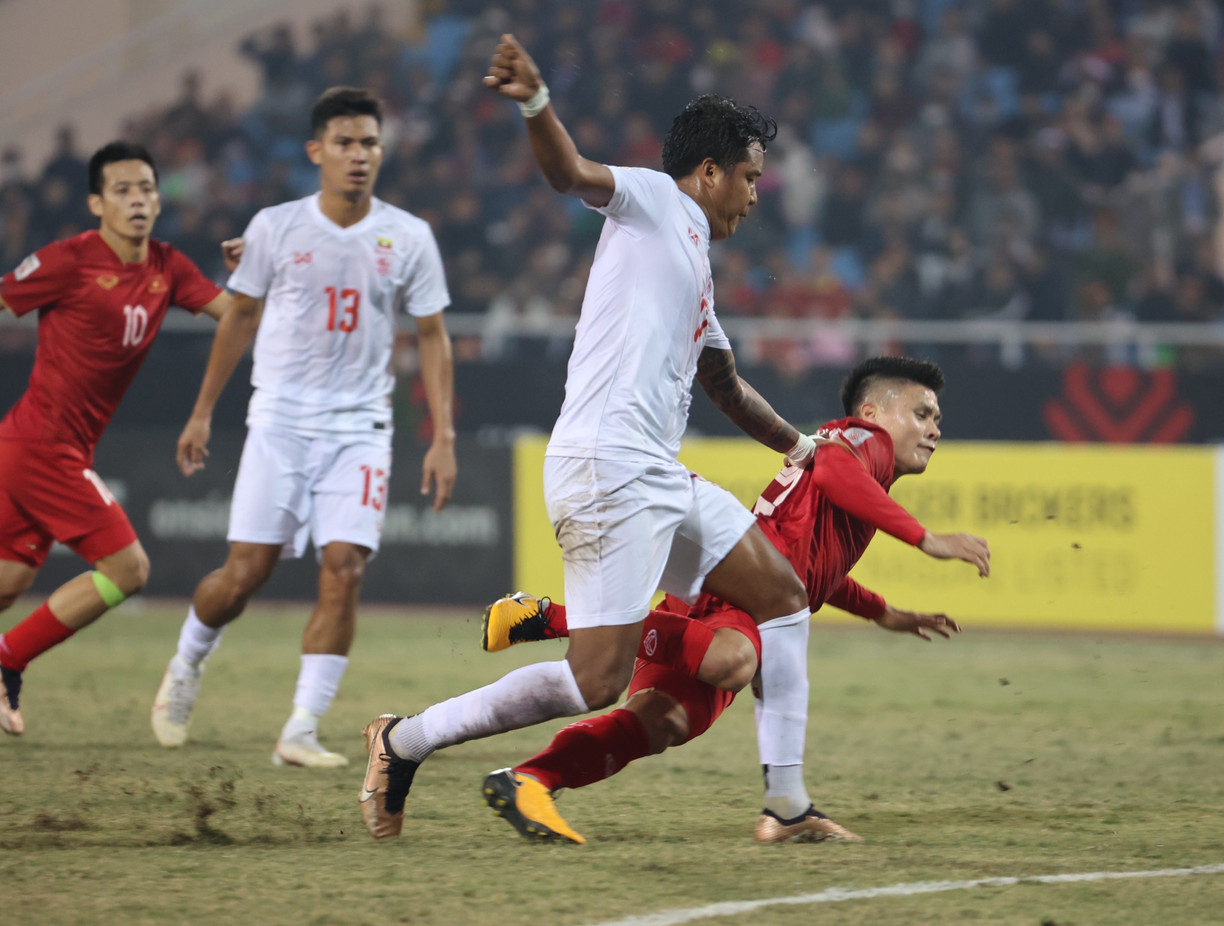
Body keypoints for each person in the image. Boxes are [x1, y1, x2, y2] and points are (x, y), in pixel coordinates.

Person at [358, 35, 821, 839]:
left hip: (655, 474)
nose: (755, 193)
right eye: (749, 176)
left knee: (782, 598)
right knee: (596, 680)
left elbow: (725, 385)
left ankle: (787, 805)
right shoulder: (652, 200)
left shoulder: (697, 267)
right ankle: (404, 741)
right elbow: (569, 172)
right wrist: (537, 101)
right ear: (708, 172)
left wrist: (798, 443)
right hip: (606, 467)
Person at [477, 356, 989, 844]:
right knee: (733, 660)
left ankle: (530, 779)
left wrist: (883, 612)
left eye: (938, 419)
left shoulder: (868, 479)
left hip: (731, 610)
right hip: (736, 598)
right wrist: (926, 539)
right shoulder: (864, 440)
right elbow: (832, 469)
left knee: (664, 723)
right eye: (921, 414)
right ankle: (548, 617)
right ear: (873, 412)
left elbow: (815, 571)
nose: (934, 429)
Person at [149, 87, 455, 768]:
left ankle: (300, 728)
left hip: (362, 428)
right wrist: (202, 411)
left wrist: (443, 436)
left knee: (344, 568)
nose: (358, 155)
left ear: (383, 151)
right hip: (281, 423)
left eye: (369, 143)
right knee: (243, 575)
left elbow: (433, 335)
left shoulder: (408, 236)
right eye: (344, 143)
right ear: (316, 151)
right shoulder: (274, 227)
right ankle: (187, 664)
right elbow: (239, 318)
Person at [0, 141, 242, 735]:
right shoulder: (66, 260)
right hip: (40, 447)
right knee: (129, 569)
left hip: (48, 450)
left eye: (146, 189)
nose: (137, 200)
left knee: (8, 585)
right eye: (122, 190)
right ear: (96, 203)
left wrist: (257, 276)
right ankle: (7, 661)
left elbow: (238, 316)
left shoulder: (167, 266)